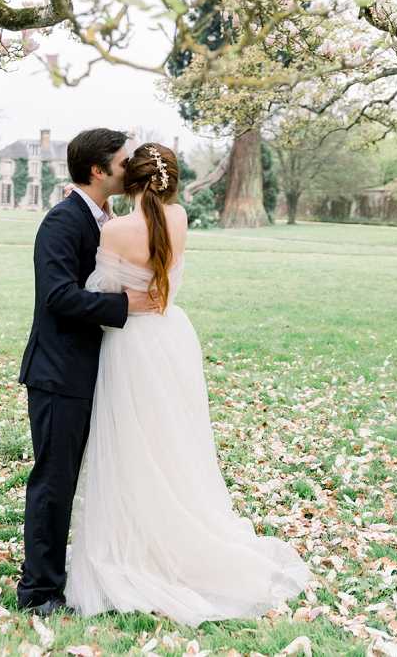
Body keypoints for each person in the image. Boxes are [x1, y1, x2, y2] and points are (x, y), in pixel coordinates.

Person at [64, 142, 312, 627]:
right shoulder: (178, 219)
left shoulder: (115, 231)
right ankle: (179, 533)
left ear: (130, 181)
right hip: (173, 337)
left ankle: (140, 547)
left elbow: (96, 293)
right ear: (171, 182)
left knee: (133, 445)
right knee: (174, 442)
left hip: (132, 343)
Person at [16, 129, 159, 616]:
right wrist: (125, 304)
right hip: (60, 374)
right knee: (54, 482)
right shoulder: (62, 221)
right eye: (122, 162)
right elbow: (57, 296)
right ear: (98, 170)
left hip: (98, 370)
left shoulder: (107, 219)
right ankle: (39, 592)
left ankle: (89, 569)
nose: (129, 167)